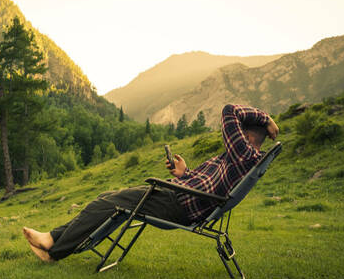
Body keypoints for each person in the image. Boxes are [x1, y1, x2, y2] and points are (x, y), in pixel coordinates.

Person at [22, 104, 279, 262]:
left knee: (109, 203)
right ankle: (53, 238)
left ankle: (54, 251)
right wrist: (184, 174)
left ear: (244, 135)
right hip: (178, 195)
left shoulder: (243, 154)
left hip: (176, 205)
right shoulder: (237, 158)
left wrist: (266, 118)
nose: (227, 135)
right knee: (107, 197)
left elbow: (229, 110)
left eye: (235, 132)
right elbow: (207, 187)